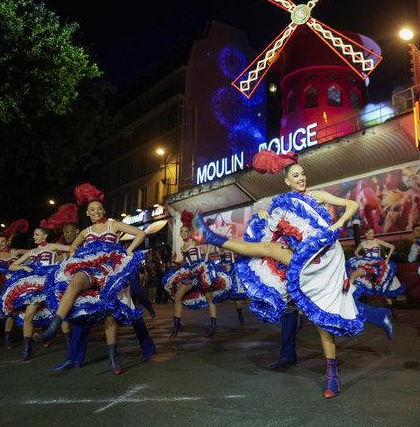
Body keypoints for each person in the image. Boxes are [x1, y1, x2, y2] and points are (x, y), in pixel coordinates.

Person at [193, 150, 392, 399]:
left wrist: (338, 224)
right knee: (268, 249)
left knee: (322, 319)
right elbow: (275, 229)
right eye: (296, 176)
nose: (301, 178)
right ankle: (211, 236)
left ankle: (332, 375)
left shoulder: (315, 195)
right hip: (302, 259)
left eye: (303, 174)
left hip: (325, 255)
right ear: (287, 180)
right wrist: (264, 214)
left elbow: (351, 205)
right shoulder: (284, 202)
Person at [41, 183, 154, 375]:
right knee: (79, 302)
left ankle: (117, 357)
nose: (96, 212)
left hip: (113, 272)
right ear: (87, 213)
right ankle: (55, 328)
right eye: (92, 210)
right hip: (91, 270)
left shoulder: (113, 224)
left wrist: (127, 251)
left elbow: (141, 233)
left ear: (104, 210)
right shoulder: (86, 232)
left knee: (119, 310)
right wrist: (74, 257)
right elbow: (73, 247)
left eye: (99, 209)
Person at [2, 226, 70, 360]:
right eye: (34, 235)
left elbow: (72, 248)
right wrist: (26, 267)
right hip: (35, 286)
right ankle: (27, 349)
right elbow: (12, 266)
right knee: (28, 316)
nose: (34, 237)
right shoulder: (31, 251)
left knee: (61, 314)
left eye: (37, 234)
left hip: (51, 282)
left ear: (45, 236)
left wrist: (65, 261)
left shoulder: (52, 246)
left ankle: (70, 346)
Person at [164, 211, 232, 338]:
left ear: (189, 232)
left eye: (185, 231)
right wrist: (178, 262)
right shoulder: (182, 247)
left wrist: (206, 257)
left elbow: (210, 241)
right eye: (181, 231)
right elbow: (186, 260)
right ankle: (176, 326)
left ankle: (213, 325)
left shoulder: (194, 241)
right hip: (189, 273)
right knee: (178, 296)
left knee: (209, 298)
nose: (183, 233)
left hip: (201, 271)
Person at [347, 227, 405, 315]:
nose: (372, 235)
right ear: (366, 234)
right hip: (367, 263)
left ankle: (392, 310)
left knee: (383, 287)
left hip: (378, 264)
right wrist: (359, 257)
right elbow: (356, 252)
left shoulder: (377, 241)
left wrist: (387, 259)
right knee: (355, 274)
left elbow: (392, 247)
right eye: (370, 233)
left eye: (373, 233)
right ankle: (348, 298)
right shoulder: (363, 243)